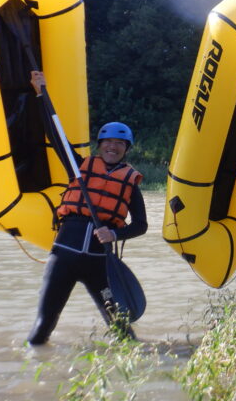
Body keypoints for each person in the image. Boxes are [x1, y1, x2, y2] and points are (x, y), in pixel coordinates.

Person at [27, 70, 148, 345]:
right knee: (42, 328)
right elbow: (54, 134)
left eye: (119, 143)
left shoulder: (131, 182)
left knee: (122, 333)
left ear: (126, 149)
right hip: (63, 258)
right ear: (100, 145)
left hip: (100, 267)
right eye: (108, 142)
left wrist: (115, 235)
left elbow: (141, 225)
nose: (113, 147)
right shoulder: (78, 167)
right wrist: (39, 93)